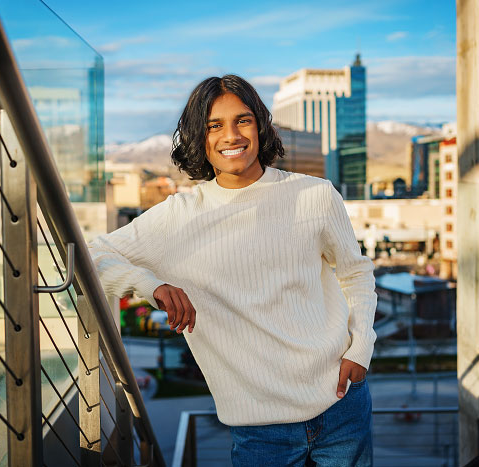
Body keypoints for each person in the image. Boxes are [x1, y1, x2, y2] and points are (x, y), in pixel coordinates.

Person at [89, 74, 377, 466]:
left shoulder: (315, 195)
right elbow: (90, 254)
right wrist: (149, 284)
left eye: (242, 120)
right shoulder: (178, 218)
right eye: (214, 125)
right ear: (198, 137)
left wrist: (361, 348)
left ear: (259, 125)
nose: (231, 136)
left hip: (343, 407)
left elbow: (356, 274)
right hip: (261, 433)